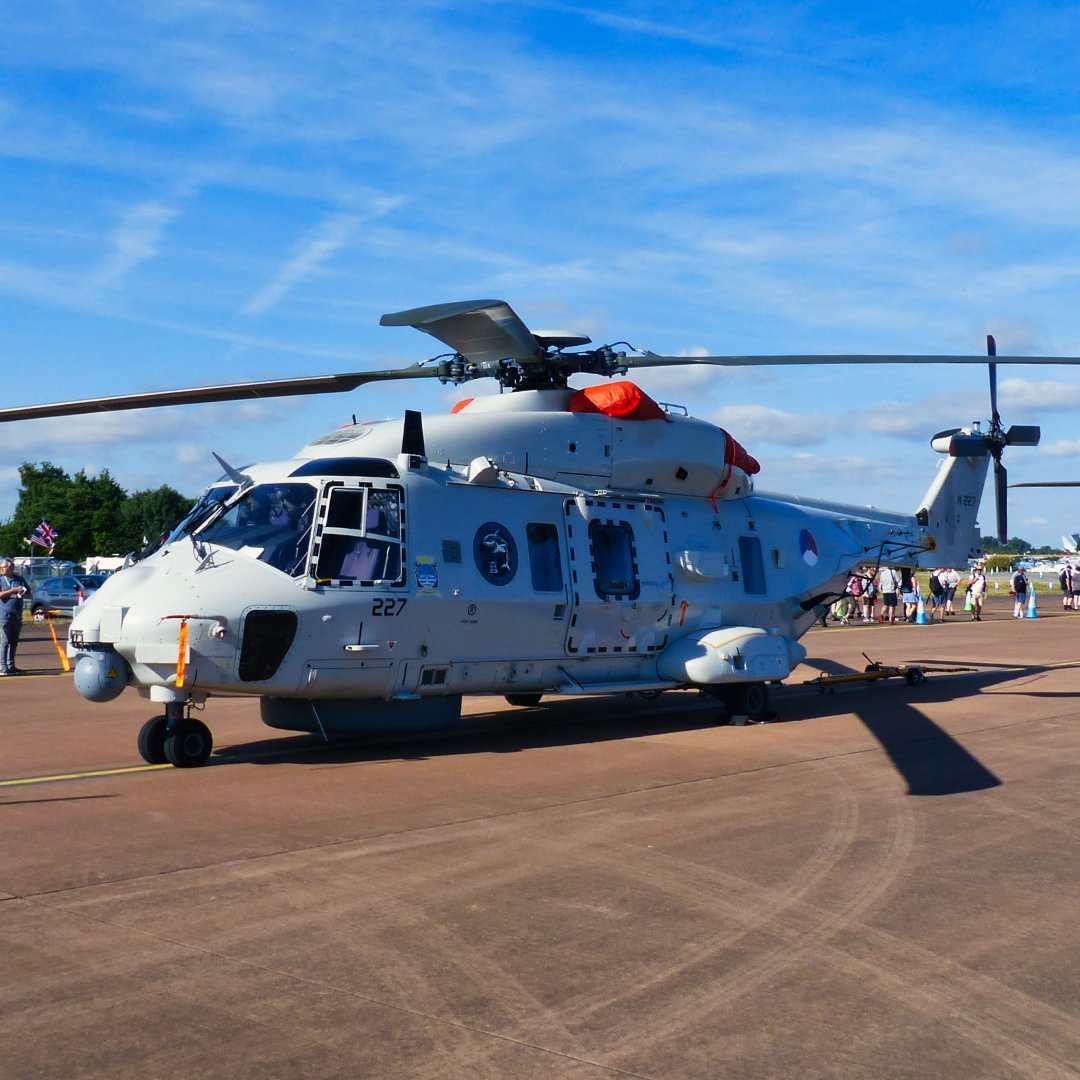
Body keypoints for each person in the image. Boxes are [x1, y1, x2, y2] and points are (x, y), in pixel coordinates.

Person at [0, 557, 31, 675]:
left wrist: (22, 594)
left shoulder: (20, 579)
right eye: (1, 567)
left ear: (11, 568)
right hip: (3, 615)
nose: (1, 569)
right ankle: (3, 667)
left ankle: (11, 665)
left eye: (4, 567)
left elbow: (29, 594)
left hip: (17, 615)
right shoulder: (0, 580)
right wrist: (12, 591)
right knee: (5, 642)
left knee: (14, 642)